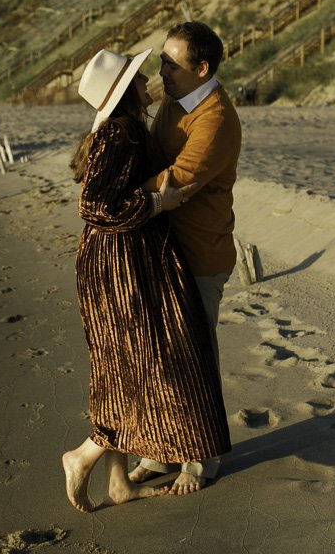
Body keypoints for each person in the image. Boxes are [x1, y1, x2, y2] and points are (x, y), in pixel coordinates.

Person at [61, 47, 231, 513]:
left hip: (118, 260)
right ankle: (85, 455)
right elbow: (93, 208)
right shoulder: (120, 134)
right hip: (118, 263)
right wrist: (157, 204)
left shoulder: (123, 129)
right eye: (138, 78)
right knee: (138, 367)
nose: (148, 82)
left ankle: (119, 482)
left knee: (119, 371)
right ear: (124, 92)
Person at [129, 20, 242, 496]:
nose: (163, 71)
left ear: (202, 67)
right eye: (161, 61)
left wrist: (118, 194)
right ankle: (159, 450)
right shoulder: (175, 104)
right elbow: (153, 157)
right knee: (162, 357)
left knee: (195, 358)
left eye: (172, 65)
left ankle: (202, 457)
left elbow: (178, 178)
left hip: (201, 255)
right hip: (165, 250)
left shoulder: (215, 117)